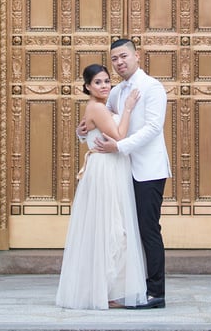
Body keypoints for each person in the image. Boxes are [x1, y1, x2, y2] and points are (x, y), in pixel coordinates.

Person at [55, 64, 147, 310]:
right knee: (112, 228)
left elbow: (90, 132)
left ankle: (106, 289)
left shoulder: (99, 107)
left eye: (107, 81)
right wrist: (127, 109)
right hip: (106, 169)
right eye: (97, 82)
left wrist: (82, 132)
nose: (104, 85)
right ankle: (104, 291)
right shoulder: (96, 107)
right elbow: (119, 136)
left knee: (111, 226)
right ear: (87, 86)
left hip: (111, 167)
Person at [91, 39, 171, 309]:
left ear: (137, 55)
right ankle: (130, 287)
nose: (119, 62)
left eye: (123, 56)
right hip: (122, 171)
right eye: (114, 59)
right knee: (125, 231)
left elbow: (153, 128)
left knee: (148, 230)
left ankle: (155, 292)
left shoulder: (152, 87)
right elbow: (109, 122)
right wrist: (84, 133)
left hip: (149, 169)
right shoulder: (116, 93)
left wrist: (119, 146)